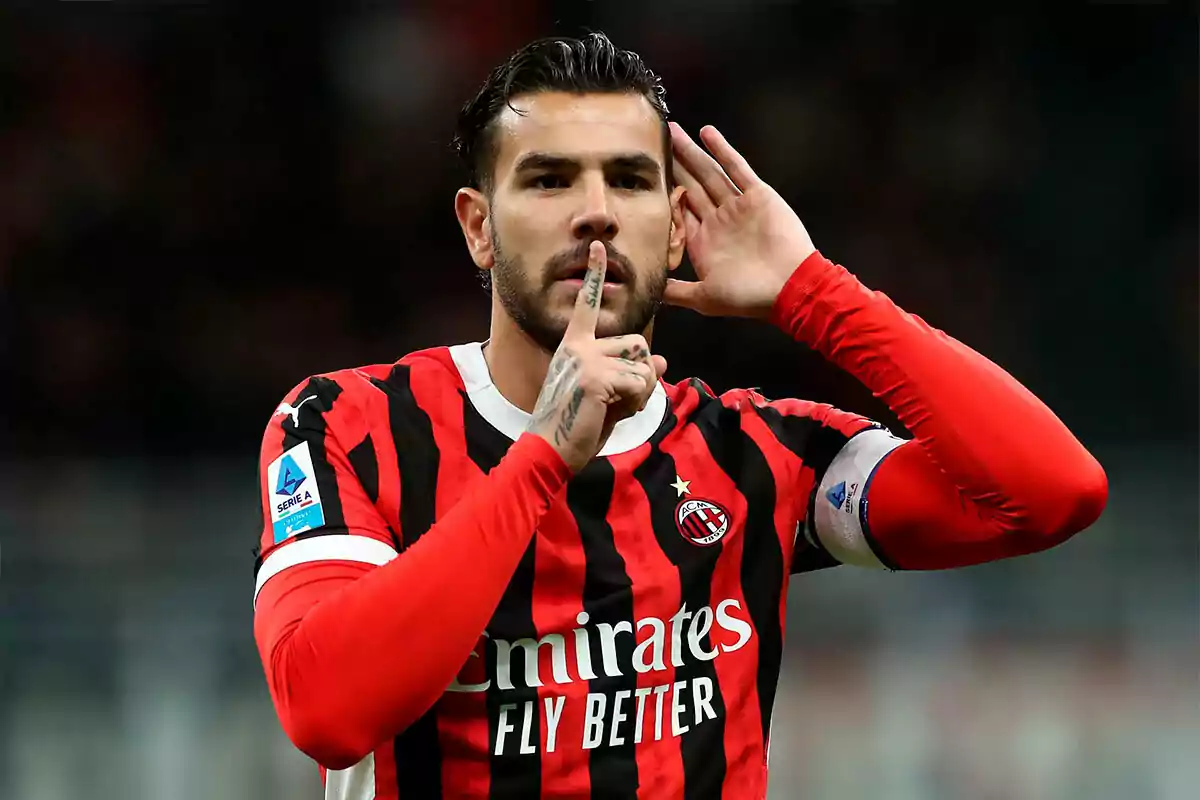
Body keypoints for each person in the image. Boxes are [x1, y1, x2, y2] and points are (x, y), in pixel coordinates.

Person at [251, 32, 1107, 800]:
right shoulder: (349, 425)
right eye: (549, 179)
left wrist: (817, 295)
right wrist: (544, 456)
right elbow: (325, 710)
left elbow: (1051, 492)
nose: (596, 211)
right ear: (479, 228)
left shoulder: (755, 457)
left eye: (629, 179)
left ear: (672, 231)